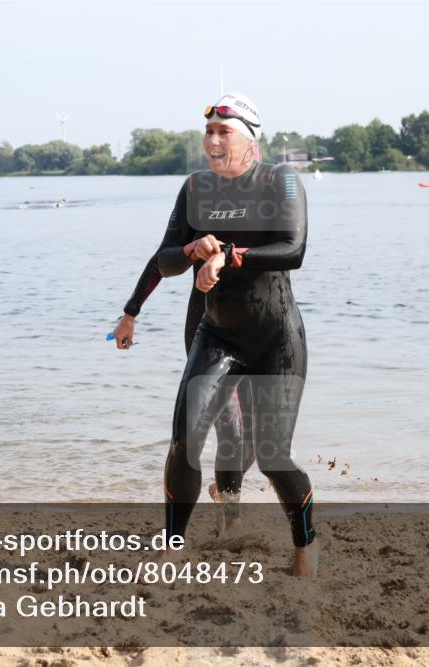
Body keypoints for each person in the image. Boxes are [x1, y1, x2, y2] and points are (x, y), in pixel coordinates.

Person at [153, 92, 317, 576]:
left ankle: (305, 549)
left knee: (272, 456)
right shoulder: (194, 189)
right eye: (209, 132)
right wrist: (189, 249)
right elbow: (163, 260)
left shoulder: (280, 182)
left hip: (277, 339)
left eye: (224, 132)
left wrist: (226, 252)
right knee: (184, 439)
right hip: (218, 333)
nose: (213, 140)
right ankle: (173, 545)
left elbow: (293, 249)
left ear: (251, 144)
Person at [112, 231, 255, 534]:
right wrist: (130, 313)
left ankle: (224, 491)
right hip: (208, 332)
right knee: (230, 426)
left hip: (257, 327)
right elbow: (161, 260)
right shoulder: (203, 198)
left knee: (255, 438)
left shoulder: (268, 198)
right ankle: (230, 519)